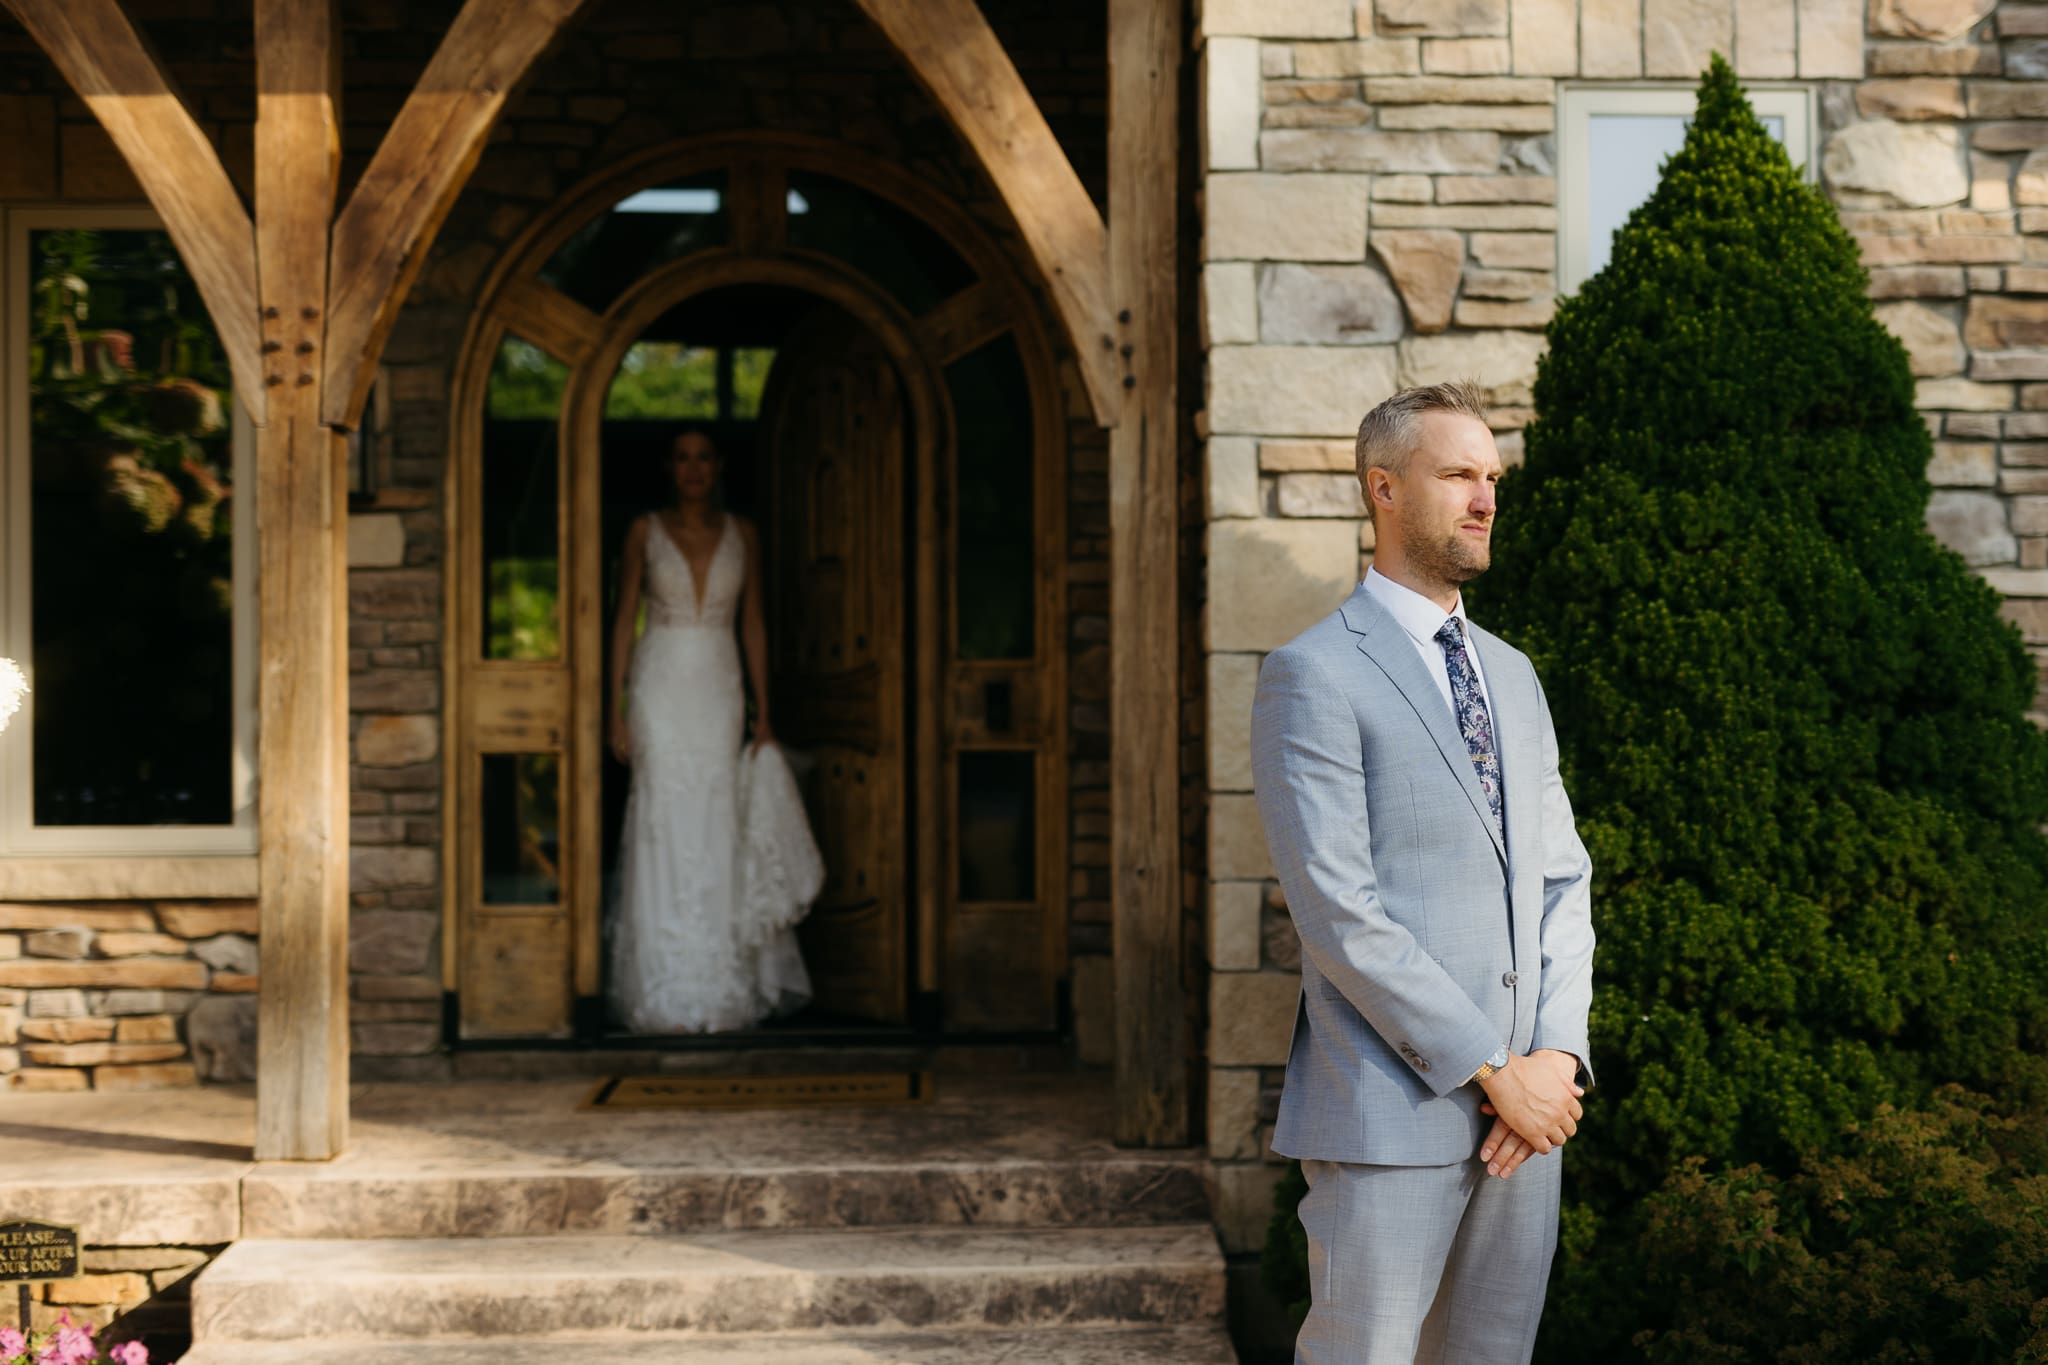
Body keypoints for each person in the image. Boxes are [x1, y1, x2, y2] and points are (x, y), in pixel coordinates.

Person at [1250, 382, 1596, 1364]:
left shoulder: (1514, 675)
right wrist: (1490, 1073)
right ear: (1382, 488)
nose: (1484, 497)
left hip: (1526, 1127)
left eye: (1490, 478)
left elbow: (1561, 884)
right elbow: (1337, 912)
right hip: (1390, 1116)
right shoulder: (1311, 673)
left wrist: (1555, 1062)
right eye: (1456, 475)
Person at [606, 428, 823, 1033]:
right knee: (663, 819)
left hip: (719, 688)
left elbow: (753, 624)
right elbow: (625, 617)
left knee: (718, 817)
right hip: (660, 685)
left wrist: (765, 712)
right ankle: (662, 986)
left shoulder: (744, 534)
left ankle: (722, 979)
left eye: (704, 457)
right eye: (682, 457)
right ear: (669, 468)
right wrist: (615, 706)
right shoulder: (644, 532)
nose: (693, 468)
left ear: (719, 466)